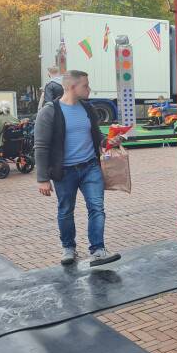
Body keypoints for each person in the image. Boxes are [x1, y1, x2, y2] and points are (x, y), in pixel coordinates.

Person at [34, 70, 121, 267]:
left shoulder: (88, 108)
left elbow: (97, 136)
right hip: (64, 172)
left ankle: (98, 250)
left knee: (97, 207)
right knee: (66, 210)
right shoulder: (50, 111)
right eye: (85, 85)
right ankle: (68, 248)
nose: (89, 89)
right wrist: (42, 178)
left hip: (91, 167)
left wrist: (109, 141)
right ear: (72, 87)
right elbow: (41, 146)